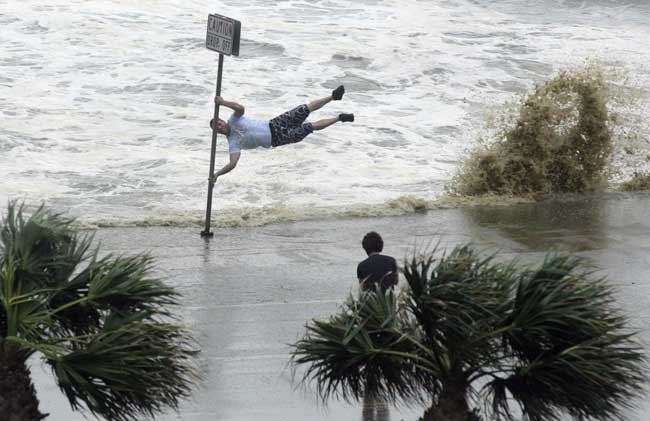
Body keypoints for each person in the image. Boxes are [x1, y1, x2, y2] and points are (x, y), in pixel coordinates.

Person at [208, 85, 354, 183]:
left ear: (222, 120)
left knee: (304, 109)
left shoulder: (233, 120)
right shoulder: (233, 143)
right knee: (310, 127)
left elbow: (240, 108)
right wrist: (216, 174)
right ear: (217, 133)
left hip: (275, 123)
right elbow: (233, 163)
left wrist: (223, 102)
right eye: (217, 128)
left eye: (219, 123)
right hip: (278, 139)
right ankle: (339, 118)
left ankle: (333, 97)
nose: (220, 127)